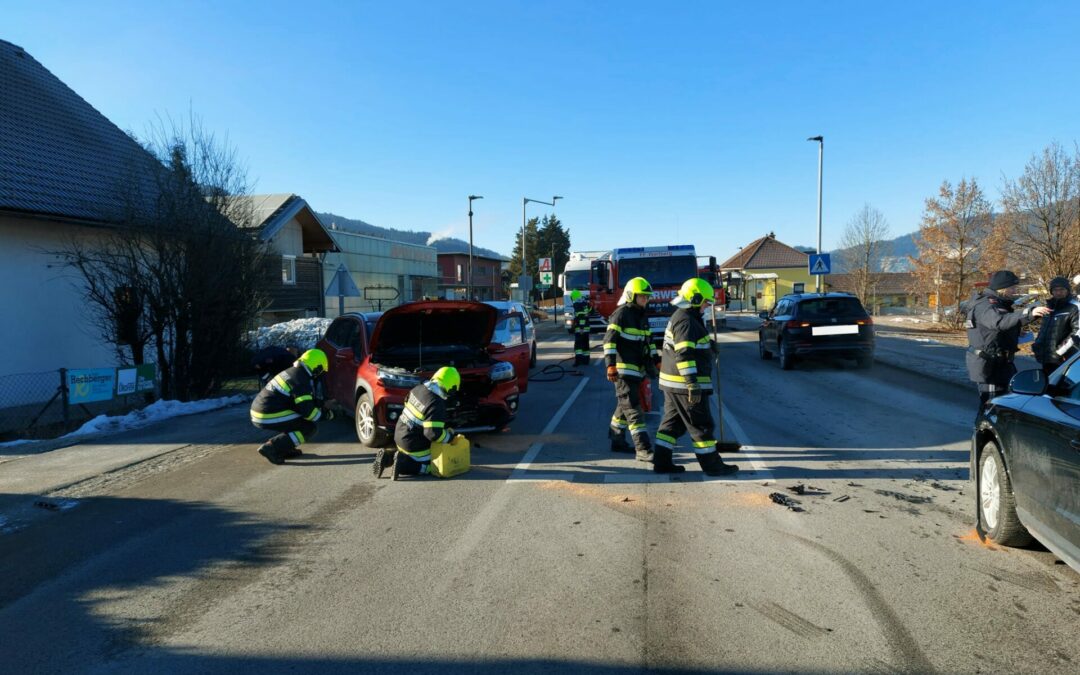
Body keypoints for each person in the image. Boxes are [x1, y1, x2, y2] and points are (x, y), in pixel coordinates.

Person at [655, 278, 738, 476]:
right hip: (685, 386)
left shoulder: (685, 317)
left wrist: (708, 343)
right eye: (706, 303)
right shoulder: (686, 320)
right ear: (695, 298)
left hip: (673, 383)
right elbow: (684, 353)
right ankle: (713, 466)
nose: (707, 307)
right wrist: (692, 383)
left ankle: (661, 462)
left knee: (672, 425)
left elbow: (689, 342)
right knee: (701, 425)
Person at [962, 271, 1051, 410]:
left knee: (1004, 404)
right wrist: (1028, 313)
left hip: (1001, 363)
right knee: (991, 407)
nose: (1014, 292)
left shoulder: (996, 302)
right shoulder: (986, 304)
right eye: (1012, 288)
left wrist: (1015, 332)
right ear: (1002, 288)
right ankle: (982, 431)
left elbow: (995, 329)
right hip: (990, 365)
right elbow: (999, 322)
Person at [604, 277, 658, 462]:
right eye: (642, 297)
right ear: (631, 296)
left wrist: (656, 360)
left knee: (623, 407)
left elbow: (648, 342)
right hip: (623, 372)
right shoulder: (621, 314)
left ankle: (617, 440)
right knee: (634, 410)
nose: (645, 300)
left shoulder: (642, 316)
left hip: (638, 371)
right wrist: (610, 365)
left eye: (647, 297)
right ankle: (643, 449)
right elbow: (609, 342)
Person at [250, 349, 335, 465]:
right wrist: (326, 414)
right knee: (309, 428)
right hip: (267, 413)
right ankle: (272, 447)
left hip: (262, 410)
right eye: (321, 370)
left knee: (296, 421)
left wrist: (321, 403)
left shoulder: (294, 372)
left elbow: (299, 401)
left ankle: (285, 448)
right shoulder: (301, 380)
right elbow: (308, 413)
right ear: (316, 367)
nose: (320, 374)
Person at [375, 366, 461, 479]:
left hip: (399, 435)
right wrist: (449, 437)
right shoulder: (436, 403)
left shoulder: (419, 388)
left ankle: (388, 457)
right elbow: (433, 434)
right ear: (451, 388)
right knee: (430, 465)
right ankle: (403, 465)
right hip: (413, 445)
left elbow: (407, 404)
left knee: (405, 452)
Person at [1032, 276, 1080, 377]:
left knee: (1062, 387)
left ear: (1067, 290)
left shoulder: (1075, 307)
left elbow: (1077, 332)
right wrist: (1037, 345)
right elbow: (1044, 329)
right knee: (1047, 385)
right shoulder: (1049, 307)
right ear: (1051, 291)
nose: (1058, 292)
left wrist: (1059, 351)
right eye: (1055, 290)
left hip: (1065, 357)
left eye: (1062, 289)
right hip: (1047, 357)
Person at [571, 289, 591, 366]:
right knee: (585, 344)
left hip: (580, 329)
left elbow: (581, 317)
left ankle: (578, 361)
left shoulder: (577, 305)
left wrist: (581, 328)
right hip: (586, 329)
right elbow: (591, 311)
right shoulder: (585, 303)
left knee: (578, 346)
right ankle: (586, 360)